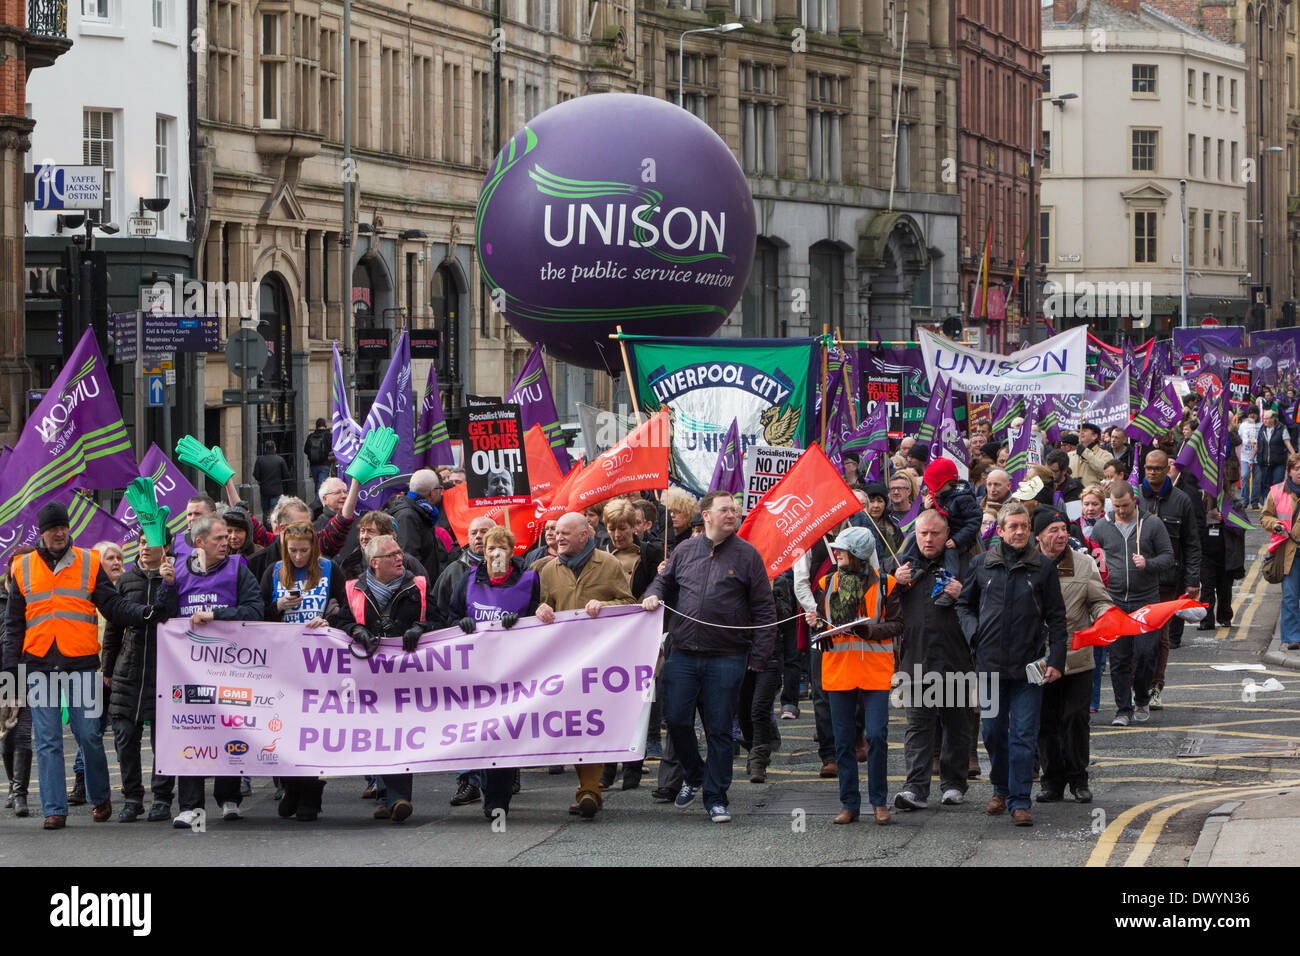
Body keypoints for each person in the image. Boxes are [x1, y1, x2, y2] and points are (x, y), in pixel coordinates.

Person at [3, 502, 170, 830]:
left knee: (89, 735)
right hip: (38, 665)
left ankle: (100, 795)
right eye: (53, 529)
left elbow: (113, 605)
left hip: (80, 663)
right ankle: (55, 809)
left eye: (63, 528)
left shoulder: (89, 562)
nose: (60, 533)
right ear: (42, 533)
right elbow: (13, 627)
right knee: (48, 739)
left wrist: (143, 612)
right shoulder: (22, 567)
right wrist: (9, 677)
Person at [642, 492, 776, 823]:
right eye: (725, 510)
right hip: (683, 654)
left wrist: (758, 656)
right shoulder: (685, 550)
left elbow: (764, 608)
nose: (732, 514)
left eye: (735, 510)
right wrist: (652, 595)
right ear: (706, 516)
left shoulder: (748, 556)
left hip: (727, 656)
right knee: (675, 720)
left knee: (719, 729)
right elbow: (663, 582)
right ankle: (695, 773)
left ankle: (716, 798)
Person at [956, 502, 1068, 827]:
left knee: (1022, 736)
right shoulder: (981, 564)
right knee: (992, 733)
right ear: (1001, 531)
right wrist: (974, 634)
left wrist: (1057, 659)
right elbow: (963, 605)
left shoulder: (1043, 569)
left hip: (1029, 668)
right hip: (989, 666)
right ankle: (1000, 788)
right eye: (1013, 527)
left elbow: (1057, 620)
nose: (1019, 532)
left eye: (1024, 526)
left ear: (1029, 530)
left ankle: (1020, 800)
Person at [534, 512, 636, 818]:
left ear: (585, 535)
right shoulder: (546, 569)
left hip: (600, 662)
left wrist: (604, 606)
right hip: (563, 662)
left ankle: (590, 790)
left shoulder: (609, 564)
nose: (558, 537)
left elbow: (628, 603)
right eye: (555, 532)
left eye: (566, 533)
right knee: (573, 723)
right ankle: (588, 788)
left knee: (590, 722)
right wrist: (541, 609)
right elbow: (539, 607)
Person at [329, 534, 437, 822]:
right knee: (377, 736)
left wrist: (421, 628)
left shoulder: (419, 586)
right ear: (374, 563)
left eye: (399, 552)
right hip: (369, 677)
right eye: (391, 555)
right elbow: (339, 623)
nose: (399, 558)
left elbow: (441, 619)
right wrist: (355, 630)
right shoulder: (353, 589)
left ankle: (400, 798)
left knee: (399, 734)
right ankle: (387, 797)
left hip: (407, 676)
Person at [802, 526, 900, 825]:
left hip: (874, 672)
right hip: (838, 670)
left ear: (858, 554)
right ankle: (850, 804)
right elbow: (820, 624)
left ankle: (879, 802)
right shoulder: (827, 582)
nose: (837, 552)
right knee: (843, 742)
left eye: (842, 549)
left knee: (877, 736)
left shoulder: (887, 584)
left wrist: (870, 630)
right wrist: (815, 624)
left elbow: (897, 624)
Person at [447, 525, 541, 819]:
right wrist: (461, 623)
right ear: (482, 553)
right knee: (483, 734)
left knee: (504, 735)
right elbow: (449, 615)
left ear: (512, 552)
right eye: (491, 548)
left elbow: (541, 618)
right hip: (477, 671)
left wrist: (523, 620)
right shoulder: (468, 579)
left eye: (502, 547)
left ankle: (497, 801)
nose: (496, 553)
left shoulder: (528, 579)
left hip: (513, 670)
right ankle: (484, 784)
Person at [891, 510, 973, 811]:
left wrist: (963, 592)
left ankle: (953, 784)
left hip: (957, 656)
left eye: (935, 533)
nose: (928, 538)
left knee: (958, 724)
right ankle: (914, 788)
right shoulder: (901, 565)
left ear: (946, 533)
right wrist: (893, 580)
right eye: (923, 533)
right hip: (916, 658)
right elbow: (877, 600)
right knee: (918, 726)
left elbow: (985, 604)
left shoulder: (965, 563)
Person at [1033, 509, 1112, 804]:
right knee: (1046, 721)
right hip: (1040, 659)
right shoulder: (1028, 564)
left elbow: (1099, 600)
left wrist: (1105, 617)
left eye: (1063, 528)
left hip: (1077, 657)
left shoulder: (1083, 563)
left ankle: (1079, 779)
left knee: (1076, 718)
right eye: (1052, 530)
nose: (1061, 535)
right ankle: (1051, 781)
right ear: (1038, 536)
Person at [1089, 482, 1174, 726]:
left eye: (1125, 505)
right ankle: (1123, 710)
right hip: (1114, 601)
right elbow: (1093, 559)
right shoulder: (1103, 527)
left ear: (1134, 501)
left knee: (1146, 653)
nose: (1122, 511)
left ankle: (1142, 696)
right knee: (1118, 658)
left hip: (1145, 600)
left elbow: (1168, 557)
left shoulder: (1152, 524)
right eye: (1117, 506)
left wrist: (1148, 563)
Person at [103, 544, 175, 823]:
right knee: (125, 736)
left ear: (165, 547)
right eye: (142, 542)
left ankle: (161, 798)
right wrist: (107, 667)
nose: (145, 547)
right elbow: (113, 627)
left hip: (164, 668)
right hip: (128, 668)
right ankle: (132, 797)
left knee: (164, 740)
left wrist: (169, 584)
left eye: (151, 542)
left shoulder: (174, 576)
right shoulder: (126, 579)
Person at [431, 514, 497, 808]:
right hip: (464, 659)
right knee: (465, 719)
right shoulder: (453, 572)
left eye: (486, 531)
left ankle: (503, 774)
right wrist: (458, 624)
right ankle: (468, 780)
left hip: (501, 660)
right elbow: (440, 613)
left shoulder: (516, 571)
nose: (480, 536)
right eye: (474, 532)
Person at [599, 499, 664, 790]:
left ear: (635, 527)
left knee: (640, 703)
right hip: (610, 638)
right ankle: (607, 767)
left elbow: (659, 587)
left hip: (642, 636)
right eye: (611, 528)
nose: (617, 534)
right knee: (609, 703)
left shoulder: (651, 552)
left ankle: (634, 768)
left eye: (622, 528)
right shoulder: (600, 555)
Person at [1140, 449, 1201, 709]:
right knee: (1136, 635)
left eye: (1157, 468)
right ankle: (1136, 686)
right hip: (1138, 580)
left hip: (1168, 580)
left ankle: (1155, 686)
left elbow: (1192, 544)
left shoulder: (1182, 500)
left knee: (1160, 638)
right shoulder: (1134, 499)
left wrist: (1192, 580)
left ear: (1167, 469)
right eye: (1148, 468)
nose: (1152, 472)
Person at [894, 457, 980, 607]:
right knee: (913, 540)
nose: (927, 539)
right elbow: (924, 519)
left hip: (958, 538)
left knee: (950, 554)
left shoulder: (963, 498)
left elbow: (974, 522)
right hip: (945, 534)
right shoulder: (934, 495)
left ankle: (948, 586)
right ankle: (912, 567)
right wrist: (924, 507)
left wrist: (957, 540)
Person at [387, 468, 458, 584]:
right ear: (432, 492)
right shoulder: (408, 516)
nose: (441, 492)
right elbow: (409, 558)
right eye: (440, 488)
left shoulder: (422, 512)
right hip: (418, 588)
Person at [1262, 453, 1300, 650]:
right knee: (1290, 595)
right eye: (1296, 469)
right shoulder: (1276, 492)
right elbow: (1265, 516)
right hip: (1289, 552)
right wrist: (1275, 524)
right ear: (1289, 472)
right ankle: (1292, 637)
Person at [1200, 488, 1245, 631]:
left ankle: (1224, 617)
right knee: (1207, 589)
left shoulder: (1234, 503)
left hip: (1227, 554)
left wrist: (1226, 518)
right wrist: (1208, 518)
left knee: (1225, 589)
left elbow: (1242, 526)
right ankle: (1206, 620)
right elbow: (1193, 524)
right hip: (1206, 554)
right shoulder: (1201, 501)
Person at [252, 439, 292, 522]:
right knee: (274, 511)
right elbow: (286, 475)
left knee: (265, 511)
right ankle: (273, 527)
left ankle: (266, 528)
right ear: (275, 448)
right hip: (276, 490)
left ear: (265, 449)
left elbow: (256, 475)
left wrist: (262, 480)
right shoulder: (280, 460)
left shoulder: (260, 460)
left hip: (264, 490)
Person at [1257, 408, 1293, 498]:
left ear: (1273, 419)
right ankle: (1268, 503)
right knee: (1266, 484)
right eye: (1264, 419)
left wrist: (1294, 456)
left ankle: (1277, 502)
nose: (1265, 421)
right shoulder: (1261, 429)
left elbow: (1288, 444)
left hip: (1278, 461)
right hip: (1265, 462)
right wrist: (1252, 458)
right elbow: (1258, 445)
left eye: (1267, 418)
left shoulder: (1281, 428)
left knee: (1277, 483)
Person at [304, 418, 334, 495]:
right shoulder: (329, 436)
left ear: (316, 426)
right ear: (325, 425)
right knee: (321, 488)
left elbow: (306, 450)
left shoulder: (311, 436)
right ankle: (317, 505)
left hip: (313, 465)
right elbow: (334, 449)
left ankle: (317, 504)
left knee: (317, 486)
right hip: (325, 465)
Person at [1239, 406, 1261, 508]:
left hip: (1258, 457)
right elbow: (1238, 438)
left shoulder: (1261, 425)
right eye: (1250, 413)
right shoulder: (1243, 425)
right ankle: (1244, 500)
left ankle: (1254, 501)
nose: (1252, 415)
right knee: (1244, 476)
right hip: (1245, 456)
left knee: (1257, 479)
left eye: (1255, 413)